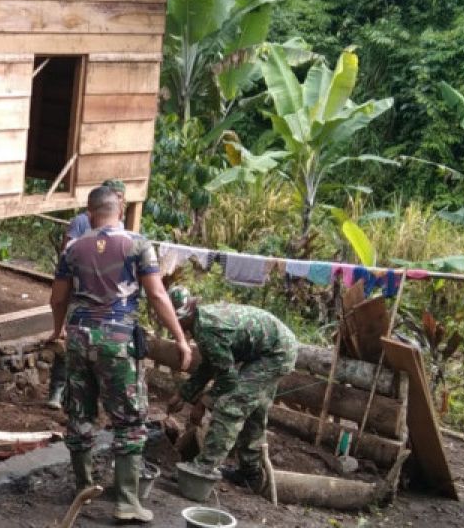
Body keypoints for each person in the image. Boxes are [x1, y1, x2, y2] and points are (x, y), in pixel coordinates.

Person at [49, 186, 193, 523]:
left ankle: (84, 487)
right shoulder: (138, 245)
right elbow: (157, 295)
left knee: (80, 414)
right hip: (118, 340)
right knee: (129, 420)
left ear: (89, 211)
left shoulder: (73, 248)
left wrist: (58, 331)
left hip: (80, 338)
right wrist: (180, 339)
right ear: (122, 208)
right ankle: (127, 501)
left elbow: (57, 299)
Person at [165, 287, 298, 490]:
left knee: (231, 407)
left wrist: (203, 402)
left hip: (275, 353)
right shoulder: (201, 322)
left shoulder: (208, 329)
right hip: (270, 349)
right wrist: (183, 394)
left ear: (185, 316)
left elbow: (228, 379)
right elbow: (211, 365)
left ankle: (203, 468)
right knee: (254, 409)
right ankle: (250, 473)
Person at [45, 178, 129, 410]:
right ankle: (58, 390)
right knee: (70, 349)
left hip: (108, 304)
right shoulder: (82, 221)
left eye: (122, 198)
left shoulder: (122, 227)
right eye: (118, 197)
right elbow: (69, 253)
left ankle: (87, 400)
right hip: (80, 294)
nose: (121, 203)